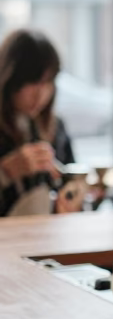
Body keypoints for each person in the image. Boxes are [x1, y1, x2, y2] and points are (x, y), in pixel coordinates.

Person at [0, 30, 79, 217]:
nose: (41, 94)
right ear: (11, 79)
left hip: (45, 239)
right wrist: (5, 172)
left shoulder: (55, 127)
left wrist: (71, 199)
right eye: (33, 82)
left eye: (48, 82)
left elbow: (69, 181)